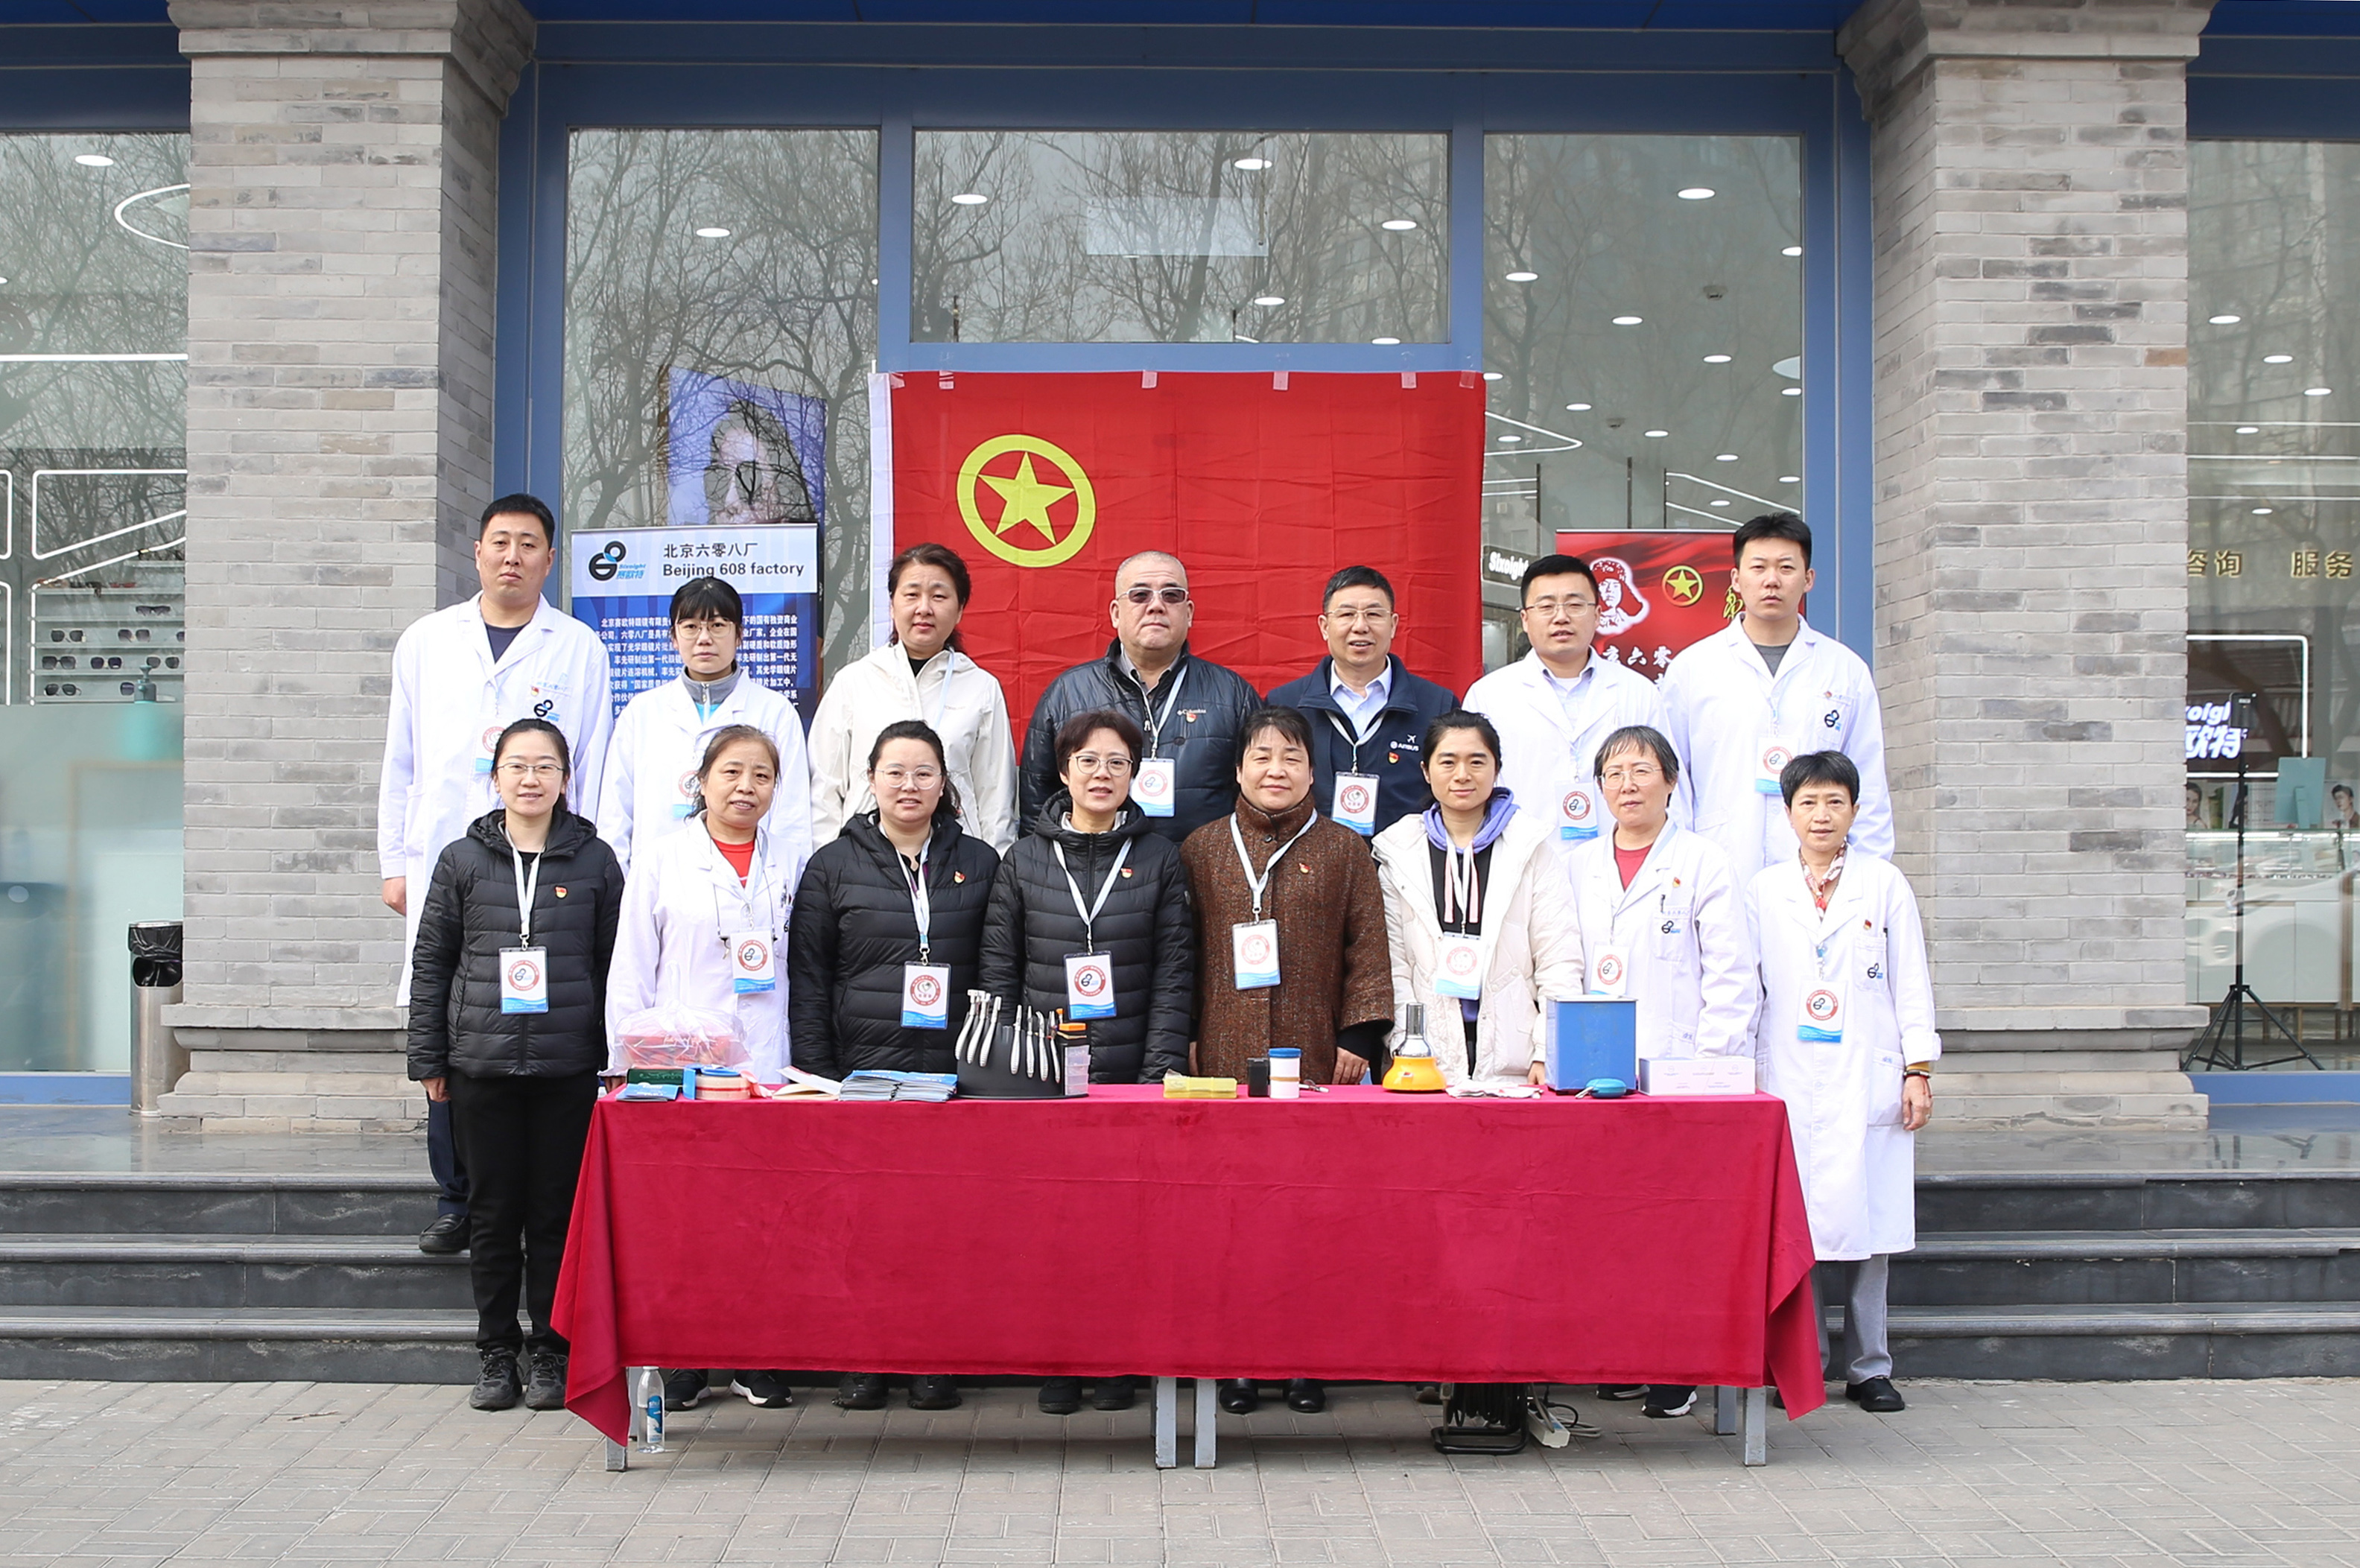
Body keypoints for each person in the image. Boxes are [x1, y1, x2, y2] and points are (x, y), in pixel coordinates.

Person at [380, 493, 612, 1259]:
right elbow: (401, 760)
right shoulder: (426, 641)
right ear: (477, 551)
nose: (513, 556)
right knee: (454, 1025)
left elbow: (593, 762)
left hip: (552, 870)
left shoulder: (578, 647)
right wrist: (394, 862)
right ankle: (457, 1199)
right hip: (452, 866)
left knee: (534, 1029)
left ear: (550, 559)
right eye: (501, 542)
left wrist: (588, 859)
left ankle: (538, 1198)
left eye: (529, 544)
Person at [405, 718, 624, 1415]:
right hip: (482, 1064)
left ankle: (552, 1352)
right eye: (518, 765)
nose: (531, 779)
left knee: (556, 1215)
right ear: (495, 776)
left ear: (565, 778)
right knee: (494, 1214)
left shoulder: (596, 860)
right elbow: (432, 962)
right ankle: (496, 1354)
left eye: (545, 766)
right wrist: (429, 1057)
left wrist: (614, 1059)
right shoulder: (461, 860)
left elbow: (615, 968)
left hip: (567, 1067)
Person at [981, 708, 1194, 1418]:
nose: (1102, 774)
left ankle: (1118, 1360)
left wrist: (1157, 1074)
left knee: (1127, 1224)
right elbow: (999, 973)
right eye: (1088, 761)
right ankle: (1059, 1358)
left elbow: (1174, 974)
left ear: (1135, 774)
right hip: (1045, 1074)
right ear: (1063, 770)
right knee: (1053, 1223)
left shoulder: (1160, 858)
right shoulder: (1024, 859)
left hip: (1132, 1068)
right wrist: (1013, 1071)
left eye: (1117, 762)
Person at [1181, 705, 1392, 1419]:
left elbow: (1368, 948)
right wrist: (1184, 1035)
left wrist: (1359, 1037)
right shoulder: (1203, 848)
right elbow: (1182, 954)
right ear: (1239, 767)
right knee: (1231, 1212)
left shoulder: (1344, 849)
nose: (1276, 770)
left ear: (1312, 771)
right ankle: (1237, 1360)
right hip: (1220, 1054)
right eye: (1263, 756)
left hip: (1316, 1054)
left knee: (1311, 1210)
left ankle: (1307, 1357)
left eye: (1292, 757)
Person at [789, 720, 1000, 1415]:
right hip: (862, 1074)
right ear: (871, 780)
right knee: (865, 1224)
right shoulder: (831, 866)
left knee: (942, 1224)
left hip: (954, 1075)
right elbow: (810, 979)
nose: (909, 785)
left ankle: (934, 1358)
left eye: (924, 772)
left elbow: (998, 971)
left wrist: (987, 1069)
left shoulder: (980, 862)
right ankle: (864, 1357)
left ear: (945, 783)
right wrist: (817, 1075)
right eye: (896, 772)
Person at [605, 723, 798, 1414]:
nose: (746, 787)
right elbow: (632, 964)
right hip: (680, 1067)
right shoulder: (662, 858)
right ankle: (684, 1356)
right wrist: (626, 1066)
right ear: (702, 781)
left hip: (766, 1063)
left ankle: (753, 1354)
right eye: (732, 773)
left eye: (761, 776)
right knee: (687, 1215)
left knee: (761, 1214)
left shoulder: (789, 860)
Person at [1567, 724, 1756, 1419]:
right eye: (1614, 773)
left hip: (1680, 1073)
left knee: (1675, 1226)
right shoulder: (1578, 865)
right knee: (1608, 1223)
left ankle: (1678, 1365)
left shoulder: (1704, 862)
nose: (1628, 785)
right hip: (1596, 1072)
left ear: (1671, 782)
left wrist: (1710, 1066)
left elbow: (1731, 974)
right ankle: (1622, 1352)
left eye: (1642, 770)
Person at [1747, 750, 1936, 1416]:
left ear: (1855, 809)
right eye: (1808, 802)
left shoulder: (1884, 885)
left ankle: (1868, 1366)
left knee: (1870, 1227)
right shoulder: (1764, 889)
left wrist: (1918, 1068)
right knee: (1796, 1226)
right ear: (1788, 812)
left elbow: (1911, 980)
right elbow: (1748, 986)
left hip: (1866, 1073)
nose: (1821, 815)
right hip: (1789, 1073)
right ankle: (1800, 1363)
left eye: (1834, 801)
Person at [1660, 513, 1892, 875]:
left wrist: (1867, 874)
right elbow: (1673, 782)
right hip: (1718, 864)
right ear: (1736, 579)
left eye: (1786, 568)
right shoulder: (1693, 669)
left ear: (1808, 579)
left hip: (1818, 869)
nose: (1772, 580)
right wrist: (1679, 870)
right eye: (1758, 567)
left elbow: (1869, 781)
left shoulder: (1845, 670)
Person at [1371, 711, 1581, 1092]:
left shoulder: (1531, 848)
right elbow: (1393, 968)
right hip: (1424, 1062)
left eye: (1477, 762)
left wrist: (1547, 1050)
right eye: (1448, 762)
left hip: (1516, 1061)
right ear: (1426, 771)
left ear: (1497, 769)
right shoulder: (1398, 852)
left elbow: (1558, 958)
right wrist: (1407, 1046)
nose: (1462, 775)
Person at [1019, 550, 1260, 844]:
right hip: (1095, 867)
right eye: (1140, 595)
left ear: (1189, 613)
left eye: (1171, 595)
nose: (1156, 606)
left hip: (1201, 867)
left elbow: (1258, 801)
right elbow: (1037, 802)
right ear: (1115, 613)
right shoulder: (1068, 693)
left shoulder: (1233, 695)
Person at [596, 577, 812, 900]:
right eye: (691, 627)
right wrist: (624, 891)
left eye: (718, 625)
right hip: (658, 889)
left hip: (752, 890)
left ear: (739, 634)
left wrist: (784, 894)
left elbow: (792, 815)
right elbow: (616, 814)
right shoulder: (642, 712)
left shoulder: (774, 711)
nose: (704, 638)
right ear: (674, 637)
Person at [1463, 554, 1666, 883]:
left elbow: (1666, 784)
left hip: (1624, 865)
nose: (1561, 617)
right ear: (1525, 619)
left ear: (1598, 614)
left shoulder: (1638, 691)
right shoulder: (1489, 695)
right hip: (1520, 866)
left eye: (1575, 605)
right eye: (1546, 606)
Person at [807, 543, 1017, 851]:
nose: (924, 608)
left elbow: (995, 795)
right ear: (892, 605)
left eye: (939, 596)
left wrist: (996, 864)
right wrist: (827, 862)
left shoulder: (981, 688)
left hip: (956, 860)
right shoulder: (854, 682)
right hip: (863, 857)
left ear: (960, 609)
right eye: (912, 594)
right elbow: (824, 787)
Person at [1264, 565, 1458, 837]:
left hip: (1404, 860)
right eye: (1346, 614)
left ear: (1393, 625)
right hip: (1309, 858)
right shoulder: (1285, 705)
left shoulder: (1437, 705)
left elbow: (1455, 793)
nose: (1360, 626)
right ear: (1325, 627)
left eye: (1374, 614)